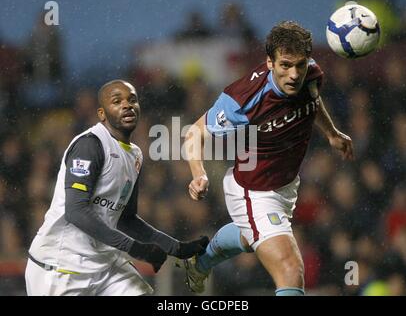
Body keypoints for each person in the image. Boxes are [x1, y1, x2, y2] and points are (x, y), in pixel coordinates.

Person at [180, 21, 354, 296]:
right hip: (253, 191)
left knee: (251, 239)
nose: (294, 74)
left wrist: (331, 133)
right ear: (269, 62)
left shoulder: (312, 75)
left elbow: (313, 98)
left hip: (286, 185)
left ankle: (199, 262)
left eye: (300, 64)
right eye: (285, 65)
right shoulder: (243, 100)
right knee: (290, 269)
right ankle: (202, 263)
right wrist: (198, 174)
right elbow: (194, 133)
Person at [25, 79, 209, 296]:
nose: (127, 105)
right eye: (117, 101)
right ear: (102, 114)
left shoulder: (136, 154)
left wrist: (176, 247)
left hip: (106, 266)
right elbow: (76, 211)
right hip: (60, 267)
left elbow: (125, 218)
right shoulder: (89, 145)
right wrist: (135, 248)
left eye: (132, 100)